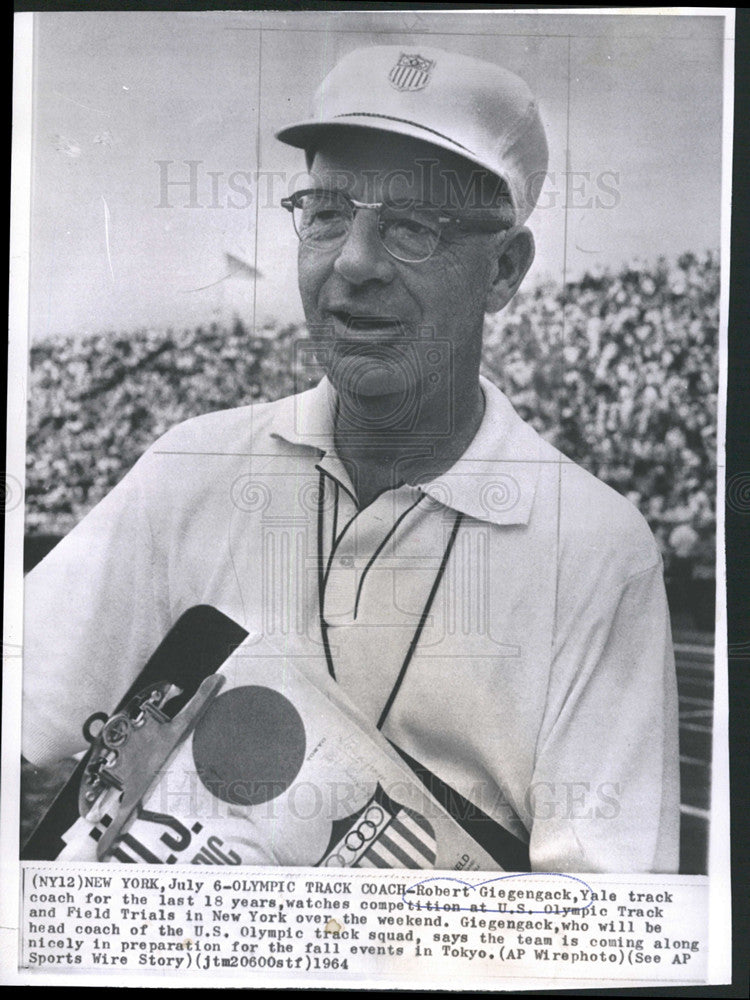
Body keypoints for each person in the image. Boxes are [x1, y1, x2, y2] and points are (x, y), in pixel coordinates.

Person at [21, 45, 680, 873]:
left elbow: (606, 925)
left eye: (413, 227)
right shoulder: (190, 464)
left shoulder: (596, 549)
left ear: (503, 270)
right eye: (327, 212)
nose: (354, 264)